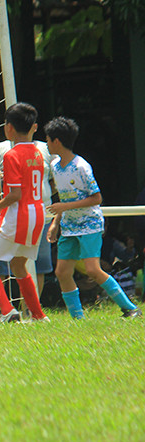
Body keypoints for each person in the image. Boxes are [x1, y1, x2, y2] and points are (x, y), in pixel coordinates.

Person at [44, 116, 140, 319]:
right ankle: (78, 318)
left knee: (93, 270)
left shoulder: (81, 166)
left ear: (57, 141)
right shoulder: (55, 166)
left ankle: (130, 308)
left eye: (48, 139)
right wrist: (55, 223)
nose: (47, 143)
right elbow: (63, 197)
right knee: (62, 272)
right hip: (69, 226)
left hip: (89, 225)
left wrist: (64, 207)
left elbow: (96, 198)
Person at [0, 102, 48, 322]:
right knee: (18, 265)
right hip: (37, 214)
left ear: (9, 128)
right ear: (33, 127)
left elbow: (15, 195)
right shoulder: (38, 153)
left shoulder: (11, 155)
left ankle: (7, 311)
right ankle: (38, 315)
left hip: (18, 216)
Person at [0, 135, 55, 304]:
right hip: (23, 215)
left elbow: (15, 194)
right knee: (5, 266)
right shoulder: (2, 149)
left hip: (25, 216)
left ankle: (18, 310)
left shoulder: (42, 150)